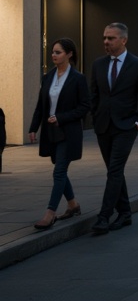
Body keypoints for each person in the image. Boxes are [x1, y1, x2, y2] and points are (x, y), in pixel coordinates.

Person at [89, 22, 138, 235]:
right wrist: (94, 116)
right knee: (113, 171)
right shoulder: (98, 64)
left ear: (123, 40)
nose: (106, 42)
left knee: (115, 170)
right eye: (105, 38)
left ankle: (103, 217)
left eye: (111, 38)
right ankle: (125, 212)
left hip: (126, 126)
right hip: (103, 126)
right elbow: (95, 95)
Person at [28, 37, 91, 229]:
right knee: (60, 170)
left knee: (59, 171)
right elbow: (41, 105)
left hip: (68, 131)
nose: (53, 55)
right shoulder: (48, 77)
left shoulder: (78, 79)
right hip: (50, 131)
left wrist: (61, 117)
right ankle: (73, 205)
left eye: (58, 52)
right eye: (53, 52)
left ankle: (50, 213)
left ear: (69, 54)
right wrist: (33, 127)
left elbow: (85, 107)